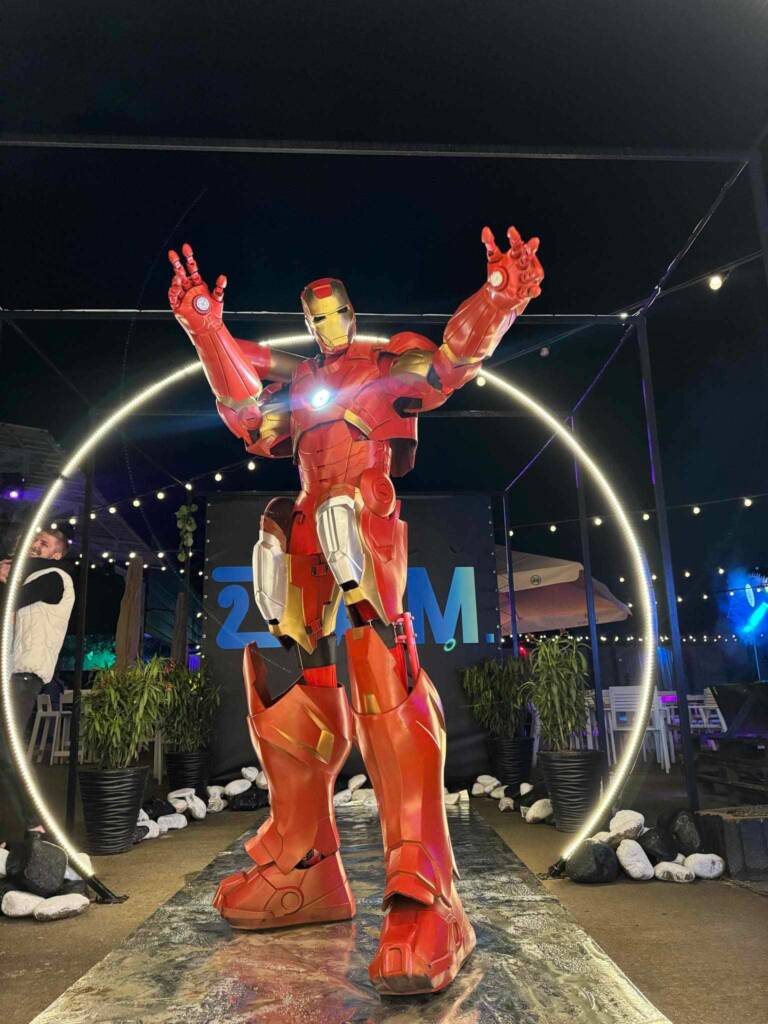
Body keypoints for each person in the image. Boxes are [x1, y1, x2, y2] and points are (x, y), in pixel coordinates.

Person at [168, 227, 543, 995]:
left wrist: (498, 299)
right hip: (305, 517)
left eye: (333, 312)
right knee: (290, 664)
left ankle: (426, 891)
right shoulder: (302, 384)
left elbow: (451, 363)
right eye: (314, 316)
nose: (325, 324)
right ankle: (304, 863)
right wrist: (206, 329)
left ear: (350, 313)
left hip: (362, 510)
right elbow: (244, 409)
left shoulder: (380, 365)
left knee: (379, 660)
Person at [0, 529, 75, 841]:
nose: (34, 545)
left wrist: (8, 573)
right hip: (12, 674)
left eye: (43, 543)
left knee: (7, 750)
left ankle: (33, 824)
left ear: (56, 554)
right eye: (34, 540)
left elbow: (13, 598)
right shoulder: (29, 580)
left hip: (25, 676)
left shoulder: (55, 577)